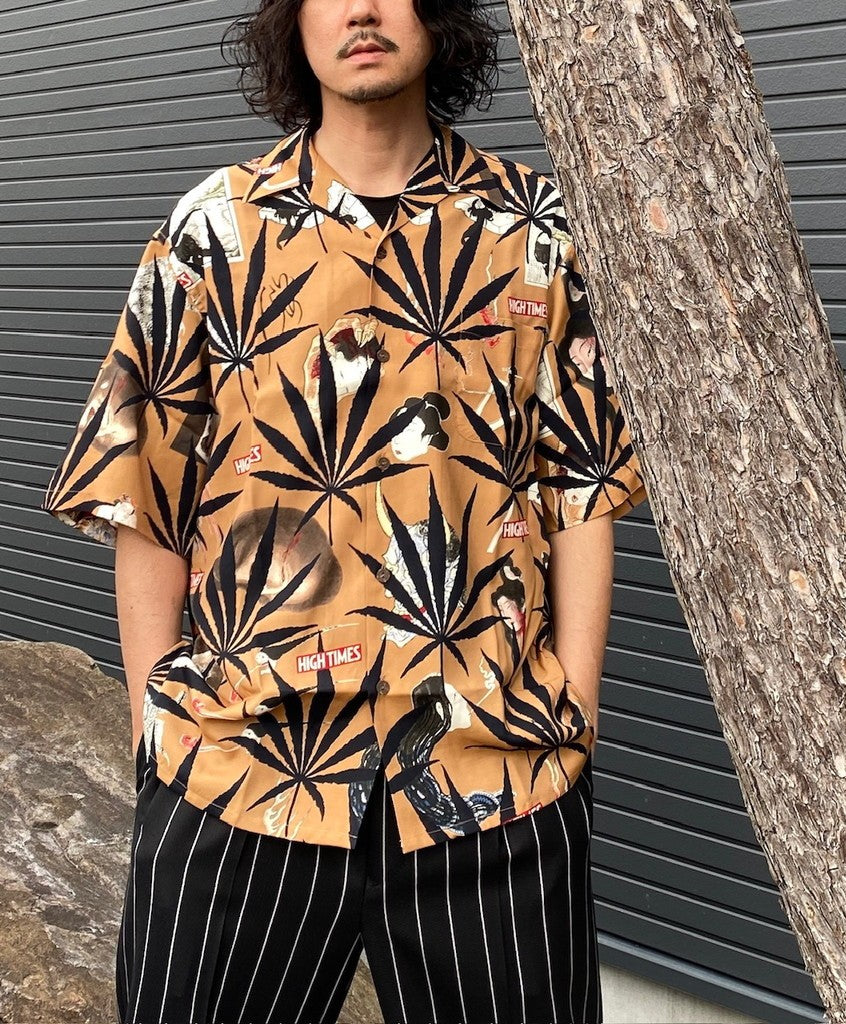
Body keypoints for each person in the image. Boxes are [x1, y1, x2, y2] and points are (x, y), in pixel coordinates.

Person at [40, 0, 647, 1021]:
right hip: (238, 769)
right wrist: (157, 728)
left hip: (491, 776)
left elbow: (582, 484)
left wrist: (572, 712)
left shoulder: (531, 230)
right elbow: (145, 488)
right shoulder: (212, 232)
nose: (361, 9)